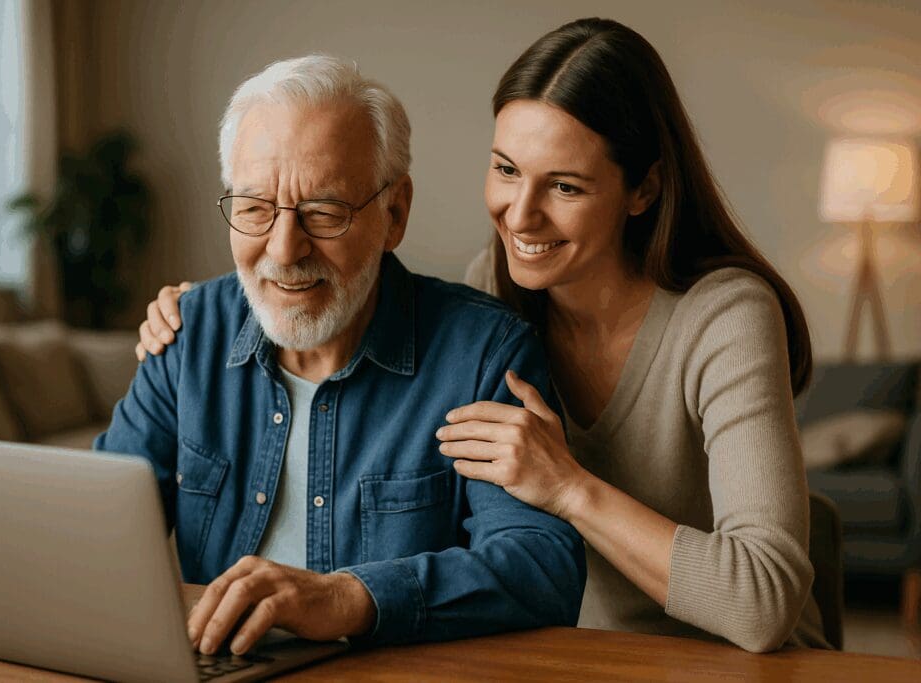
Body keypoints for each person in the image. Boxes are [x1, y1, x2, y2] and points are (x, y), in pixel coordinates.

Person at [138, 19, 832, 653]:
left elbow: (763, 602)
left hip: (741, 661)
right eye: (505, 170)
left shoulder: (725, 316)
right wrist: (216, 307)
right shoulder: (498, 292)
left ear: (643, 189)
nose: (520, 216)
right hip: (580, 654)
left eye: (564, 186)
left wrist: (569, 488)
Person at [97, 55, 586, 657]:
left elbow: (540, 569)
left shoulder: (482, 354)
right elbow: (94, 531)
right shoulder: (187, 335)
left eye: (324, 213)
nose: (283, 249)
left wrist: (348, 598)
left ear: (395, 214)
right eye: (254, 208)